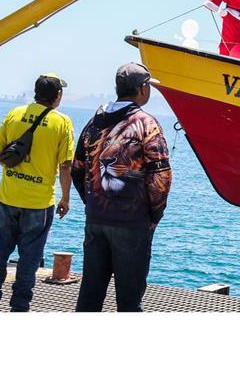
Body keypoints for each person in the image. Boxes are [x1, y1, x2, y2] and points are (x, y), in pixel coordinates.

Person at [72, 63, 172, 312]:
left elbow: (77, 168)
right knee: (129, 301)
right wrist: (154, 214)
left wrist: (92, 201)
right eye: (148, 86)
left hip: (96, 219)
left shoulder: (94, 122)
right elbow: (161, 176)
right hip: (132, 222)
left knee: (90, 295)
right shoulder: (146, 124)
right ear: (142, 89)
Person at [0, 73, 74, 312]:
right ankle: (19, 309)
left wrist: (14, 171)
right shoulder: (62, 123)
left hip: (7, 199)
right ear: (58, 95)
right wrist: (65, 197)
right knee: (28, 264)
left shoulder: (15, 114)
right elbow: (65, 165)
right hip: (38, 205)